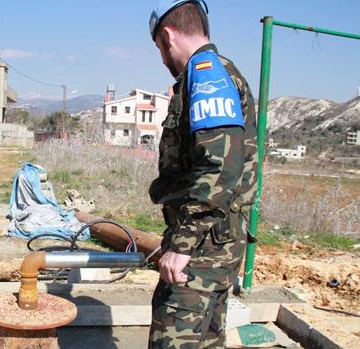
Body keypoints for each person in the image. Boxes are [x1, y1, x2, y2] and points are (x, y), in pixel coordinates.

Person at [147, 1, 257, 348]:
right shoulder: (219, 71)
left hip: (201, 250)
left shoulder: (206, 72)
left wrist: (182, 245)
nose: (164, 60)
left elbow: (219, 164)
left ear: (167, 36)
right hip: (218, 244)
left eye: (160, 50)